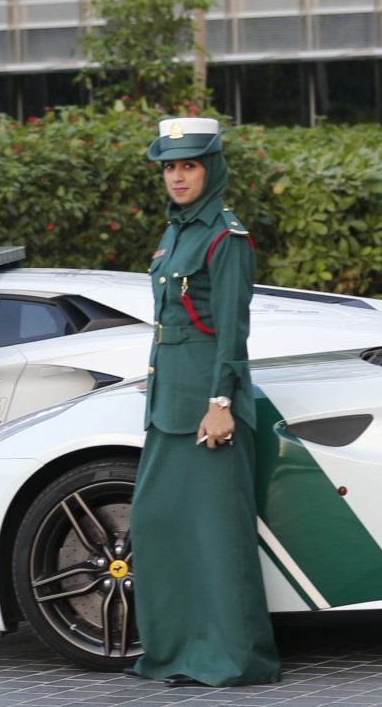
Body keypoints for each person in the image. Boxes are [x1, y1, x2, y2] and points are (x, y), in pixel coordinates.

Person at [126, 118, 282, 688]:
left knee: (217, 535)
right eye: (170, 167)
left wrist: (220, 401)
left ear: (210, 168)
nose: (177, 177)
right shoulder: (174, 234)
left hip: (208, 407)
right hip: (169, 399)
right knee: (157, 523)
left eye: (188, 165)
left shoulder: (225, 236)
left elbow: (232, 332)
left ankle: (232, 658)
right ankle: (176, 652)